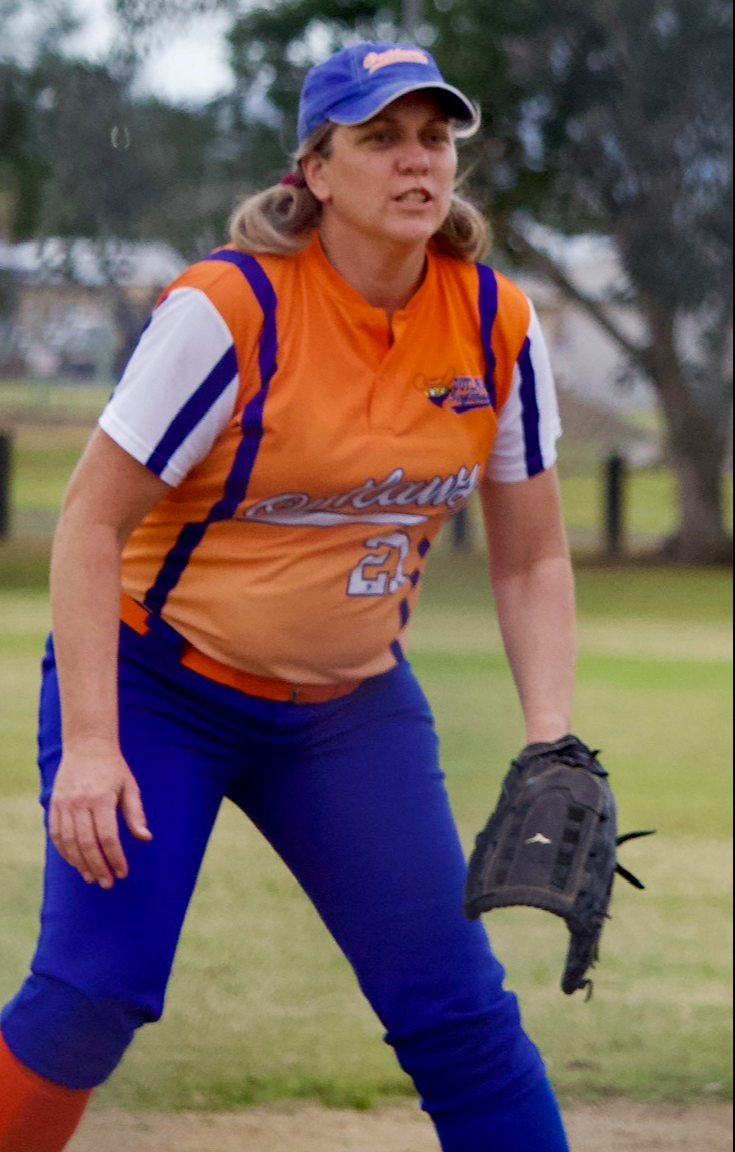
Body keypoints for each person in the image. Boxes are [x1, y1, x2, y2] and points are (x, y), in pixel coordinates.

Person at [0, 42, 575, 1152]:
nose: (416, 160)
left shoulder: (494, 322)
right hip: (160, 687)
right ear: (314, 169)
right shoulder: (230, 307)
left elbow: (532, 558)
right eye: (380, 138)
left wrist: (550, 734)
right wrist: (91, 745)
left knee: (457, 1010)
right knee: (91, 991)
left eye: (434, 137)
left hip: (349, 710)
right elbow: (89, 523)